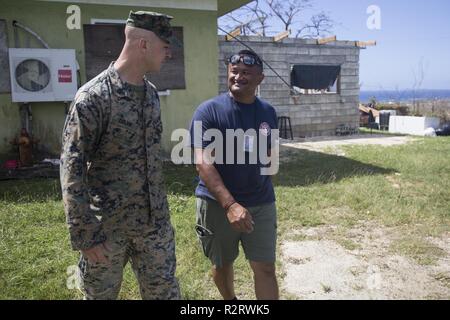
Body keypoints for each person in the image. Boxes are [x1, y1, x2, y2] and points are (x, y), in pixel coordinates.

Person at [60, 10, 180, 300]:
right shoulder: (93, 98)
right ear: (143, 45)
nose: (169, 54)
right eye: (165, 47)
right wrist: (84, 233)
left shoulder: (151, 94)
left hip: (154, 227)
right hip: (107, 231)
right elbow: (71, 168)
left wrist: (161, 225)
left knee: (165, 295)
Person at [189, 50, 279, 300]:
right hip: (217, 204)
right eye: (234, 71)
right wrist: (230, 204)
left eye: (246, 73)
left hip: (261, 203)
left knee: (266, 268)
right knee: (222, 266)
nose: (238, 77)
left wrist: (264, 187)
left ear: (260, 78)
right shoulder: (208, 111)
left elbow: (270, 154)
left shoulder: (268, 113)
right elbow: (202, 162)